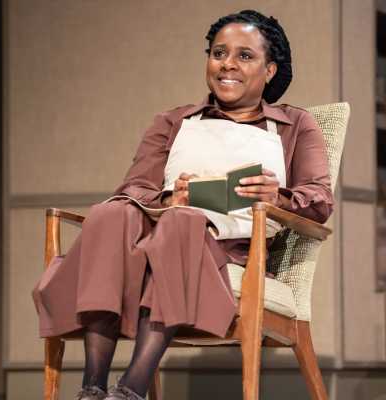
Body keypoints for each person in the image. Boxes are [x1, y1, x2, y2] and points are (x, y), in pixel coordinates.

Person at [33, 9, 333, 400]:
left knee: (181, 224)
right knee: (111, 211)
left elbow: (320, 200)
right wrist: (172, 196)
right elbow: (135, 188)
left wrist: (274, 196)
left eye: (245, 56)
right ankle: (92, 388)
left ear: (270, 70)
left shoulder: (296, 125)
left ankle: (131, 389)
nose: (227, 63)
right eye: (219, 52)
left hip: (223, 250)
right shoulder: (173, 121)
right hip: (151, 237)